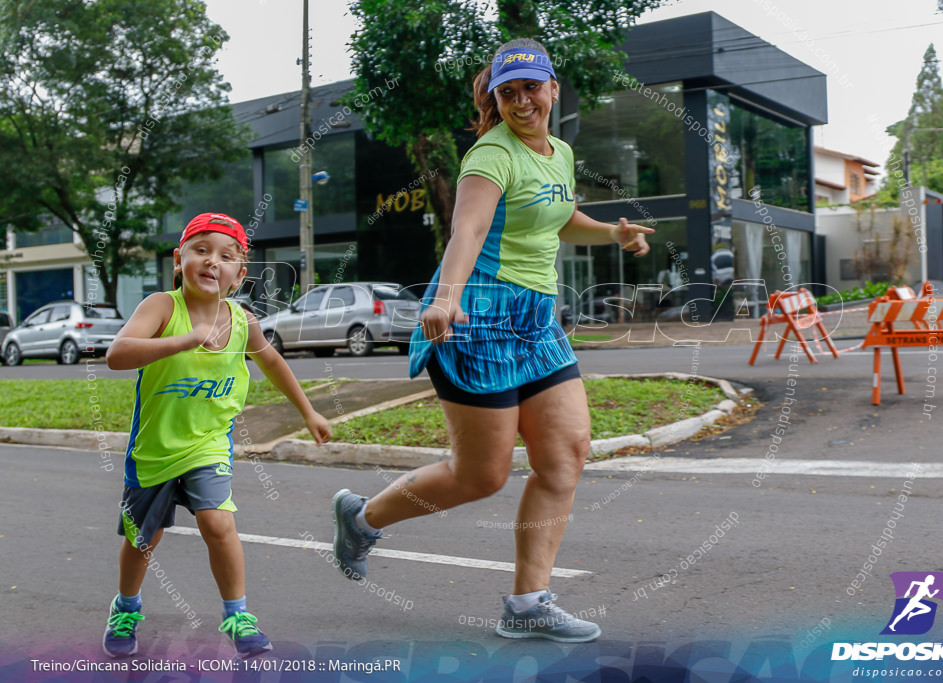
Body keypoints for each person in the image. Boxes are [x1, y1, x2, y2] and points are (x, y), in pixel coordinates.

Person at [331, 38, 652, 643]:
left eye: (532, 87)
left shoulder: (558, 152)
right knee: (482, 476)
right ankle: (363, 517)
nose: (522, 100)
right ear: (497, 100)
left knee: (566, 454)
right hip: (475, 317)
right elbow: (468, 227)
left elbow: (559, 221)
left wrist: (612, 231)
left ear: (553, 89)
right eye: (509, 92)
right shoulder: (489, 156)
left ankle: (529, 602)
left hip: (535, 321)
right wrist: (446, 297)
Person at [102, 212, 332, 658]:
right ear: (179, 259)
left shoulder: (242, 321)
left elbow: (273, 364)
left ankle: (238, 614)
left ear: (239, 274)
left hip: (209, 444)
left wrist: (309, 412)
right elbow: (118, 354)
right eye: (201, 250)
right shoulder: (162, 307)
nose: (212, 262)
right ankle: (126, 607)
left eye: (226, 256)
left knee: (218, 522)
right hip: (154, 449)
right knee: (141, 540)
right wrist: (186, 339)